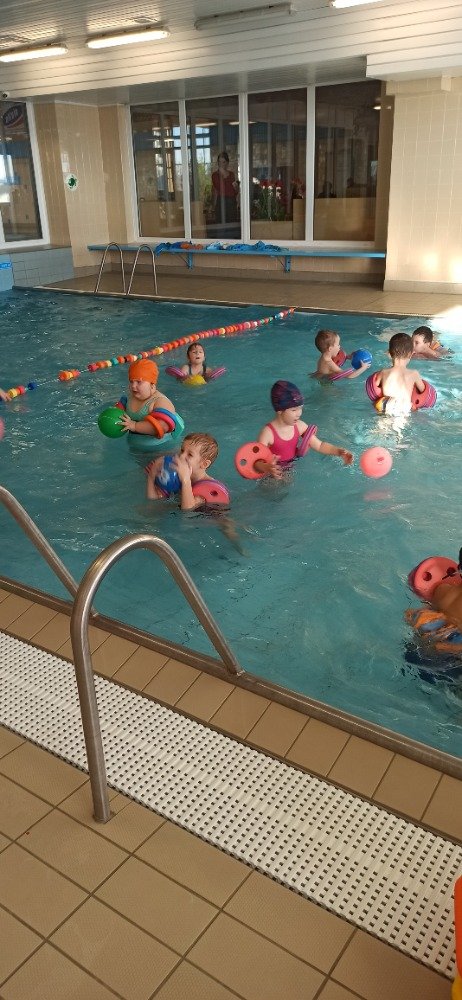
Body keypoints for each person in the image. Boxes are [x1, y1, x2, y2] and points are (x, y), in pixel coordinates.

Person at [255, 380, 353, 480]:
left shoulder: (300, 426)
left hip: (290, 468)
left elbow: (319, 445)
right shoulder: (268, 433)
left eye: (300, 408)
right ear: (279, 410)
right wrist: (267, 468)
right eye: (294, 410)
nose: (299, 413)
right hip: (271, 474)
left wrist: (339, 452)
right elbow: (256, 462)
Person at [146, 432, 228, 510]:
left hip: (212, 515)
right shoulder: (175, 476)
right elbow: (154, 500)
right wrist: (151, 476)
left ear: (204, 464)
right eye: (182, 450)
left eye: (190, 455)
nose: (181, 456)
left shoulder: (207, 487)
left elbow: (187, 510)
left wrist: (185, 480)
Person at [117, 359, 176, 438]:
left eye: (139, 382)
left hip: (158, 443)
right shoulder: (128, 398)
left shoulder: (160, 401)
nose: (133, 386)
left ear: (152, 385)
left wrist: (135, 426)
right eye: (131, 381)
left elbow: (163, 426)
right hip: (134, 440)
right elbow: (117, 413)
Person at [374, 332, 426, 417]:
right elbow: (423, 390)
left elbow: (374, 387)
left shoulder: (383, 372)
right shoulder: (414, 374)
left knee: (383, 422)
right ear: (410, 354)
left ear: (389, 353)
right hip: (404, 406)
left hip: (386, 405)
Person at [211, 151, 239, 233]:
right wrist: (223, 174)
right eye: (219, 162)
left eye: (223, 162)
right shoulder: (215, 175)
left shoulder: (232, 174)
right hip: (221, 202)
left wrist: (236, 188)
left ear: (227, 163)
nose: (221, 164)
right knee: (221, 229)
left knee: (231, 228)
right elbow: (220, 187)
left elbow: (234, 192)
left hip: (231, 202)